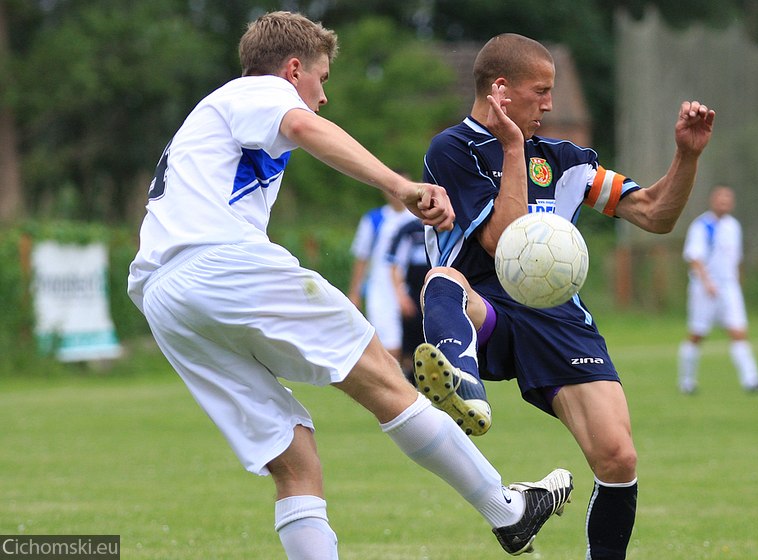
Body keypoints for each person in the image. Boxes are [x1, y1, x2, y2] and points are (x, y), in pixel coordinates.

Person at [127, 13, 573, 559]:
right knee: (385, 379)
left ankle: (503, 510)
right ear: (293, 70)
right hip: (220, 265)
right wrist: (401, 186)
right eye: (322, 79)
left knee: (295, 462)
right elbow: (305, 128)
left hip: (164, 298)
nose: (323, 97)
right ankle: (507, 511)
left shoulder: (212, 120)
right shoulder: (258, 91)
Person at [413, 33, 715, 559]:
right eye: (541, 91)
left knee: (618, 458)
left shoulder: (565, 160)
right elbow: (501, 240)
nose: (550, 104)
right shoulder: (452, 150)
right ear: (501, 90)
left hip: (557, 319)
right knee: (443, 282)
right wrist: (512, 148)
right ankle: (464, 383)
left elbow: (655, 215)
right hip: (483, 313)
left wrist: (685, 157)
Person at [678, 185, 758, 394]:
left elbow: (735, 260)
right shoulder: (703, 225)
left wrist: (737, 281)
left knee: (738, 332)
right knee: (697, 334)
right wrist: (707, 282)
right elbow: (694, 257)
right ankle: (687, 382)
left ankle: (751, 380)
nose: (724, 203)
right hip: (705, 287)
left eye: (728, 199)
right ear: (713, 201)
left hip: (729, 286)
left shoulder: (733, 226)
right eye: (721, 199)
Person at [347, 191, 414, 362]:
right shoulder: (374, 219)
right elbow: (362, 258)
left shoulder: (417, 218)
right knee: (389, 342)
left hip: (413, 285)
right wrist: (355, 292)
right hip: (381, 288)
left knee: (413, 344)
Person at [386, 216, 429, 375]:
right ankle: (410, 390)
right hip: (412, 295)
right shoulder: (408, 230)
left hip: (435, 293)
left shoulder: (447, 225)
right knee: (409, 350)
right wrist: (401, 295)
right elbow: (394, 264)